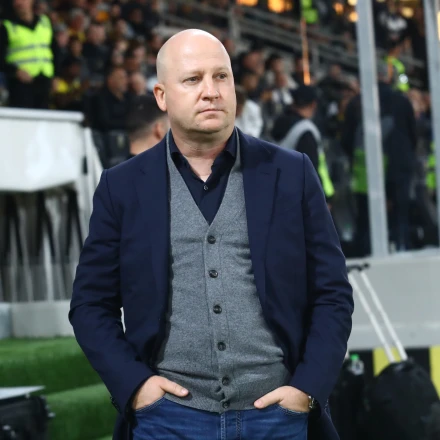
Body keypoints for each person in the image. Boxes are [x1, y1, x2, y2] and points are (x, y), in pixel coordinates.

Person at [70, 29, 353, 440]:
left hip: (280, 419)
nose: (211, 91)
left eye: (222, 76)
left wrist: (306, 390)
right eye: (193, 79)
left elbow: (333, 293)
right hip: (167, 421)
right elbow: (90, 304)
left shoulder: (292, 173)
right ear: (162, 96)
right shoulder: (122, 186)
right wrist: (136, 388)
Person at [342, 61, 417, 255]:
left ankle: (366, 256)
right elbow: (413, 135)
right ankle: (401, 249)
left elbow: (347, 140)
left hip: (367, 169)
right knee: (400, 217)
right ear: (387, 76)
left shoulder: (357, 103)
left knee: (366, 219)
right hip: (399, 168)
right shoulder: (402, 101)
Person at [271, 85, 335, 202]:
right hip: (301, 197)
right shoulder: (306, 130)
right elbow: (311, 170)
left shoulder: (279, 122)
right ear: (313, 105)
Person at [0, 0, 56, 109]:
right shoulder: (7, 27)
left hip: (44, 80)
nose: (19, 3)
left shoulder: (44, 22)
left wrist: (56, 75)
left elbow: (55, 50)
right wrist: (14, 71)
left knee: (44, 115)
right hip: (20, 84)